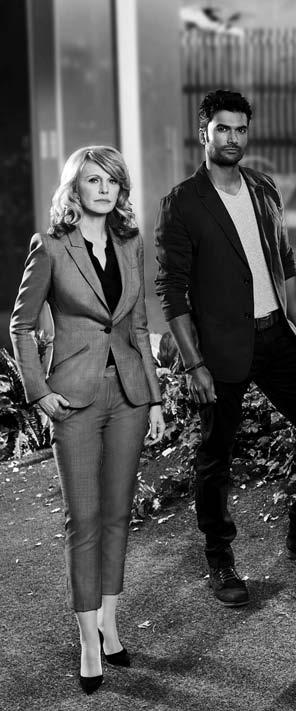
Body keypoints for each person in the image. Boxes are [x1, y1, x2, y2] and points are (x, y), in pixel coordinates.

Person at [154, 89, 296, 608]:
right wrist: (194, 363)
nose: (233, 138)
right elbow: (171, 289)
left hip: (275, 334)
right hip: (219, 348)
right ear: (204, 133)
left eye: (240, 129)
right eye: (223, 129)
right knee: (216, 454)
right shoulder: (182, 203)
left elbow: (284, 257)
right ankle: (220, 558)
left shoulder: (263, 187)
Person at [10, 146, 165, 694]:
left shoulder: (130, 242)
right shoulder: (51, 246)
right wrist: (39, 392)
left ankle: (110, 624)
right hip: (73, 398)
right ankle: (87, 642)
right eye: (93, 180)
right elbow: (21, 325)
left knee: (119, 515)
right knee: (85, 519)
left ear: (121, 190)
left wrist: (154, 399)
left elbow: (138, 325)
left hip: (128, 395)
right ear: (74, 188)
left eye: (112, 181)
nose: (103, 190)